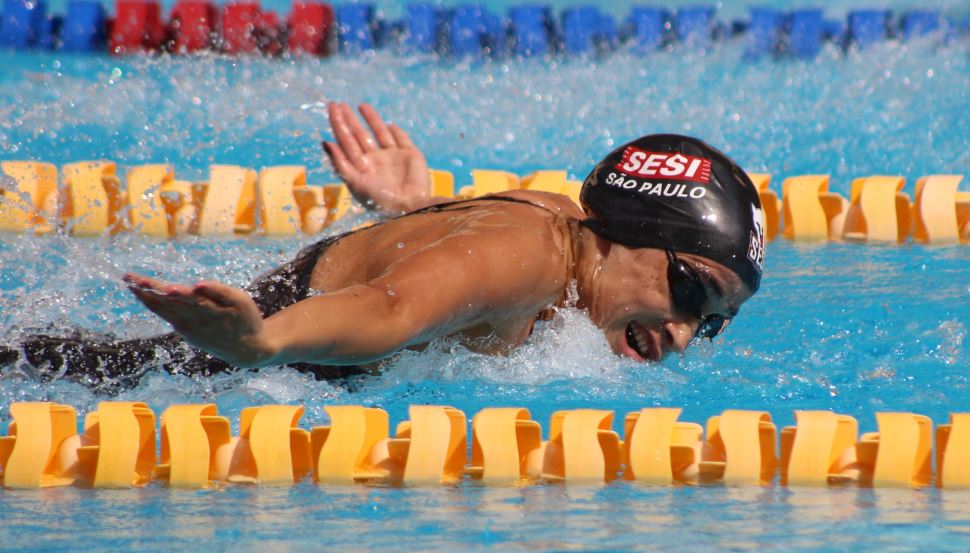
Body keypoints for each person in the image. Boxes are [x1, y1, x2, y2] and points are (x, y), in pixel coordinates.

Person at [0, 102, 765, 387]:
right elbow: (390, 306)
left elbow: (459, 267)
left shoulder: (558, 235)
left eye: (712, 320)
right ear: (633, 231)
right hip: (231, 369)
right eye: (691, 291)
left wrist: (413, 212)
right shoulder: (532, 258)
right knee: (76, 369)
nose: (683, 333)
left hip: (254, 353)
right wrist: (264, 342)